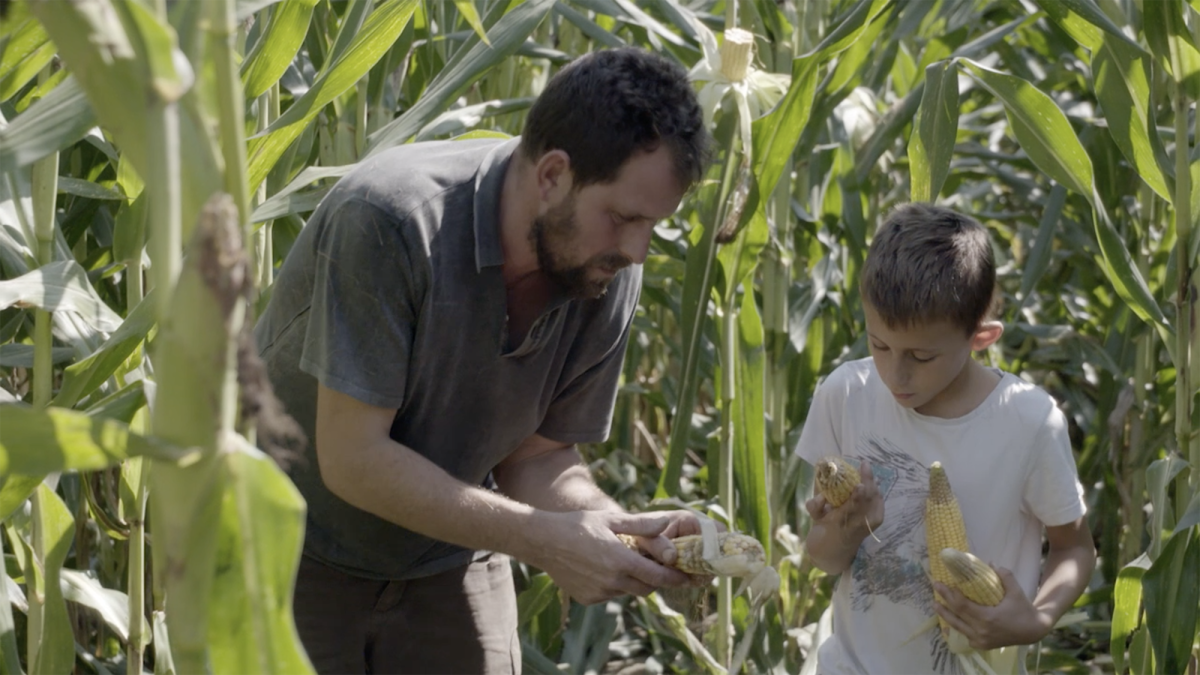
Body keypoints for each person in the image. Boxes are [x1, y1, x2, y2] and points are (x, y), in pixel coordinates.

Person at [254, 47, 712, 674]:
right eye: (623, 217)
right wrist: (540, 539)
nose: (637, 249)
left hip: (450, 550)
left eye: (652, 224)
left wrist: (615, 531)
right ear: (552, 175)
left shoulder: (601, 269)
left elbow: (537, 455)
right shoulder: (392, 222)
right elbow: (353, 459)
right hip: (287, 550)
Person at [793, 204, 1096, 674]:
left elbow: (1074, 548)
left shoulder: (1029, 423)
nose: (896, 373)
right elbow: (824, 558)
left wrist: (1036, 619)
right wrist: (846, 529)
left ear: (981, 336)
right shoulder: (845, 396)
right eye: (879, 345)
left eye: (921, 355)